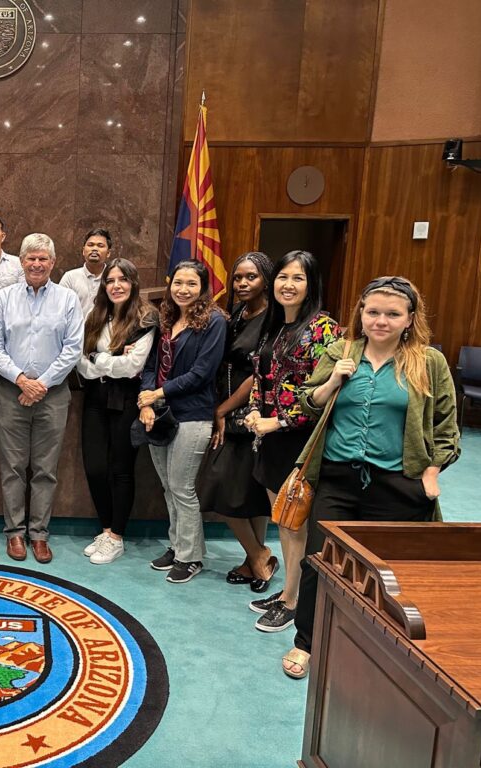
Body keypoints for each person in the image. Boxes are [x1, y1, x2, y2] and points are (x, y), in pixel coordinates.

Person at [282, 276, 460, 679]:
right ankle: (305, 644)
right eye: (373, 312)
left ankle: (383, 646)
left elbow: (448, 429)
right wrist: (332, 381)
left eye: (392, 314)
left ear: (410, 319)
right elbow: (309, 404)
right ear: (360, 314)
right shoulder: (340, 350)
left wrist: (431, 472)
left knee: (391, 572)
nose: (381, 320)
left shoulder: (428, 363)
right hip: (338, 480)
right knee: (317, 563)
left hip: (398, 484)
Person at [244, 250, 340, 631]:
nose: (288, 284)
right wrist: (254, 412)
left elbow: (322, 396)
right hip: (268, 436)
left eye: (298, 278)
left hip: (299, 440)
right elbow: (261, 377)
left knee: (295, 524)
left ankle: (292, 600)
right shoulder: (274, 324)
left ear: (311, 284)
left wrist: (277, 422)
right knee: (281, 522)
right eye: (283, 276)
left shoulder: (323, 330)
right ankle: (289, 587)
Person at [0, 233, 83, 564]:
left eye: (43, 258)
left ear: (53, 263)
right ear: (21, 262)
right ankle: (14, 532)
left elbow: (72, 348)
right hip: (11, 394)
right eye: (31, 258)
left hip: (53, 396)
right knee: (12, 467)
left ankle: (39, 534)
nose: (37, 264)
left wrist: (40, 384)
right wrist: (22, 381)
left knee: (45, 469)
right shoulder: (4, 298)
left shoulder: (68, 300)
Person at [139, 260, 227, 583]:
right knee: (167, 485)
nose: (183, 289)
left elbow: (201, 374)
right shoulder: (167, 317)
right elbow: (149, 364)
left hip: (192, 415)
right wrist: (147, 400)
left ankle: (191, 557)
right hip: (159, 413)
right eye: (178, 283)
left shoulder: (214, 322)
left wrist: (157, 393)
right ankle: (177, 547)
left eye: (192, 283)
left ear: (203, 287)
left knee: (182, 487)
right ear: (170, 284)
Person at [196, 252, 275, 590]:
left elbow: (256, 375)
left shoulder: (272, 320)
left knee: (222, 488)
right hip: (231, 410)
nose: (242, 283)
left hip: (251, 411)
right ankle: (255, 558)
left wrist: (221, 410)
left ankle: (257, 556)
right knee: (246, 492)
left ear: (265, 280)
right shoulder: (241, 313)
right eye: (238, 278)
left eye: (251, 277)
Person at [76, 258, 157, 564]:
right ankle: (106, 529)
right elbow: (79, 361)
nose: (116, 286)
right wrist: (108, 360)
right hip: (96, 397)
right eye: (110, 280)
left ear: (133, 283)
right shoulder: (94, 315)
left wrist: (99, 358)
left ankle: (117, 536)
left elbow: (133, 366)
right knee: (95, 466)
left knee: (120, 468)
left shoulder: (145, 319)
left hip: (126, 399)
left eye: (122, 279)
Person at [59, 228, 113, 316]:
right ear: (83, 251)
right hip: (77, 329)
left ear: (108, 253)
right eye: (91, 245)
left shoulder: (114, 278)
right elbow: (59, 309)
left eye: (100, 245)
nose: (95, 249)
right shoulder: (70, 277)